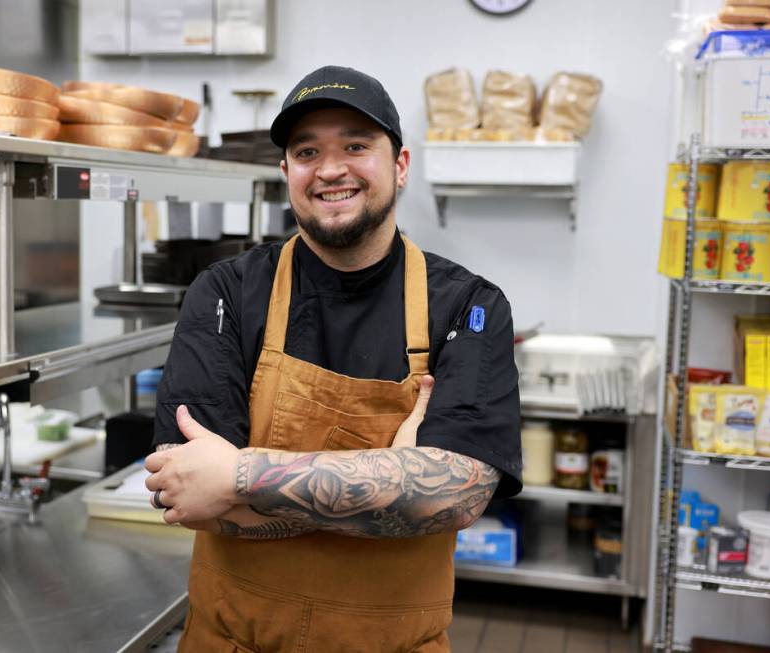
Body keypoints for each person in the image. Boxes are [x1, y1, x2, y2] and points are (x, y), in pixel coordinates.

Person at [146, 65, 522, 652]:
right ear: (286, 172)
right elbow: (186, 494)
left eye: (356, 145)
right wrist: (396, 484)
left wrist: (241, 475)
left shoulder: (467, 305)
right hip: (232, 641)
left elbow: (458, 497)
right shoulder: (226, 293)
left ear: (400, 165)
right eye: (306, 151)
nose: (330, 169)